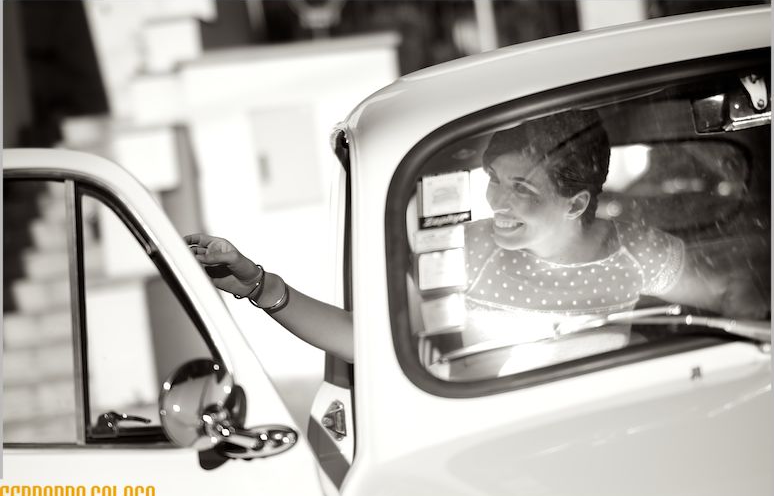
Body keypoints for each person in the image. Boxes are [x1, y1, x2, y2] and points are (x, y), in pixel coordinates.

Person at [186, 109, 768, 367]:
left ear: (578, 203)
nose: (499, 203)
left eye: (523, 188)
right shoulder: (464, 253)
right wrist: (259, 285)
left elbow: (730, 292)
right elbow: (375, 346)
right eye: (494, 182)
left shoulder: (635, 251)